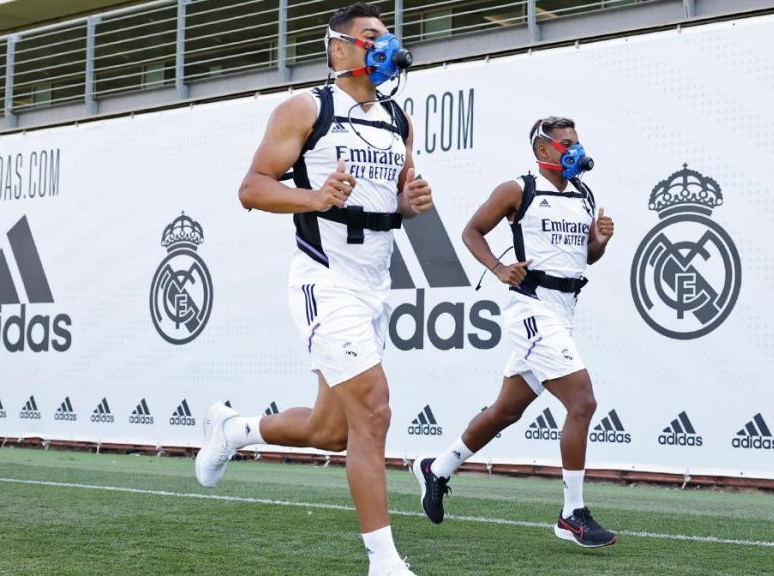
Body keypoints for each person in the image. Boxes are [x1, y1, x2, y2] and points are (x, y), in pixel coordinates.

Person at [195, 4, 430, 575]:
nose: (385, 47)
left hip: (376, 283)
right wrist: (313, 198)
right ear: (339, 47)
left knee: (331, 430)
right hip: (324, 280)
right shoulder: (306, 108)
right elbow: (251, 188)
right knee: (373, 411)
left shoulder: (399, 119)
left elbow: (388, 199)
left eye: (388, 37)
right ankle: (384, 562)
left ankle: (235, 429)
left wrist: (406, 204)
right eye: (371, 37)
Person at [413, 117, 618, 548]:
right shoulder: (518, 189)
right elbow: (471, 231)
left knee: (506, 411)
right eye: (565, 144)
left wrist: (598, 241)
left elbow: (585, 258)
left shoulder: (583, 193)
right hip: (530, 306)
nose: (573, 150)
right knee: (582, 401)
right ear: (543, 151)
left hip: (564, 310)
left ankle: (438, 467)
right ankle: (571, 515)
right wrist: (499, 269)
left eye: (576, 143)